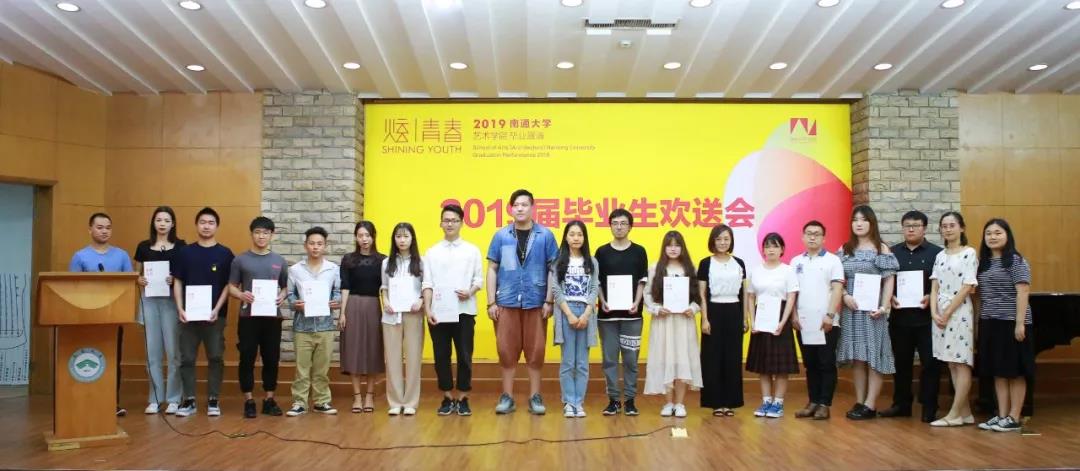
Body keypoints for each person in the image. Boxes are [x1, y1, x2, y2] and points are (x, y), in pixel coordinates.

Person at [486, 189, 559, 415]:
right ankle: (507, 397)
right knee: (506, 351)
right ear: (511, 208)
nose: (520, 208)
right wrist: (491, 302)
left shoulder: (545, 235)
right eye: (516, 205)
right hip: (506, 301)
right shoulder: (501, 236)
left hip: (536, 302)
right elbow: (492, 269)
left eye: (524, 204)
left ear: (532, 207)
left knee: (536, 352)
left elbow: (553, 269)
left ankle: (535, 396)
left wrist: (549, 300)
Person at [837, 205, 899, 420]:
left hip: (874, 312)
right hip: (851, 310)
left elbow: (889, 279)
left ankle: (870, 404)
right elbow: (837, 279)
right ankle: (860, 400)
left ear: (872, 223)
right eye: (855, 220)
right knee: (858, 358)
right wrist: (845, 295)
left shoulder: (881, 248)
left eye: (863, 219)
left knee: (874, 356)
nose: (859, 224)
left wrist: (884, 306)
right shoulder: (845, 249)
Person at [881, 210, 943, 422]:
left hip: (928, 320)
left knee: (930, 364)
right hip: (900, 319)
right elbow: (885, 281)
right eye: (907, 225)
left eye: (916, 225)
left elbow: (944, 285)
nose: (911, 229)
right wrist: (889, 297)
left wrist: (931, 296)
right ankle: (901, 404)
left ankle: (929, 406)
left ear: (924, 228)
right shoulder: (892, 253)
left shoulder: (937, 254)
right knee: (901, 363)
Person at [172, 207, 234, 418]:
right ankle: (189, 400)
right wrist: (180, 308)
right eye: (203, 222)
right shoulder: (185, 252)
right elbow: (178, 281)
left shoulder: (225, 254)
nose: (206, 226)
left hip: (215, 316)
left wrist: (217, 309)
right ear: (196, 225)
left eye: (211, 223)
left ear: (217, 226)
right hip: (188, 317)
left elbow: (229, 285)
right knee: (187, 358)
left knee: (215, 356)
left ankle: (213, 399)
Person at [70, 212, 133, 416]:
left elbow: (129, 285)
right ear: (90, 230)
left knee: (113, 360)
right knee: (88, 358)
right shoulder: (80, 257)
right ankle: (86, 401)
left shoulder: (121, 256)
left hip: (114, 317)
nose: (104, 231)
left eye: (108, 227)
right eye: (99, 227)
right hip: (87, 318)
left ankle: (112, 402)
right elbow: (72, 288)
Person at [422, 205, 483, 416]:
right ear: (440, 223)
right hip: (438, 312)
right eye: (446, 220)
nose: (450, 224)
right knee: (441, 356)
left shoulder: (472, 250)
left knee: (465, 355)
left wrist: (470, 291)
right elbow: (427, 283)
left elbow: (478, 279)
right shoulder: (432, 252)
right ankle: (447, 396)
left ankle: (463, 397)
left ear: (461, 223)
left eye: (454, 220)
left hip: (464, 310)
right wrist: (428, 309)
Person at [974, 218, 1034, 433]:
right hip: (990, 322)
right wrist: (978, 323)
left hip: (1011, 322)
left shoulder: (1016, 261)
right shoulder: (983, 263)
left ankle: (1014, 417)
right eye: (988, 233)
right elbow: (979, 296)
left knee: (1015, 371)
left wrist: (1019, 323)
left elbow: (1023, 291)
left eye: (998, 232)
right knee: (998, 371)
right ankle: (1001, 415)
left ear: (1007, 235)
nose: (992, 237)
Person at [227, 217, 289, 419]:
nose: (261, 236)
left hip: (272, 318)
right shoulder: (240, 260)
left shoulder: (279, 261)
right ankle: (249, 400)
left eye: (265, 233)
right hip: (248, 317)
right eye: (257, 232)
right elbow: (231, 287)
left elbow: (285, 287)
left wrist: (282, 296)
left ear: (272, 235)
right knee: (247, 357)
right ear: (252, 234)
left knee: (271, 358)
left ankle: (269, 399)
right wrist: (241, 294)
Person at [643, 230, 702, 418]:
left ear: (682, 247)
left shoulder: (690, 268)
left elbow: (699, 296)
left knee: (682, 360)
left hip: (684, 322)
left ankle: (680, 403)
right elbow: (647, 294)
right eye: (669, 245)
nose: (673, 249)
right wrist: (656, 309)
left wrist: (693, 308)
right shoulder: (655, 268)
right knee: (665, 359)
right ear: (664, 248)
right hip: (663, 321)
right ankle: (668, 403)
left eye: (677, 245)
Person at [595, 208, 648, 417]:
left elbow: (642, 281)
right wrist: (602, 301)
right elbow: (597, 282)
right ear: (610, 226)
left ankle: (630, 400)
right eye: (615, 223)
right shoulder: (601, 252)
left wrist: (636, 302)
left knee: (631, 360)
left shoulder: (639, 251)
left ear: (630, 226)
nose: (619, 227)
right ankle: (614, 400)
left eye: (623, 223)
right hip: (607, 317)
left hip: (632, 316)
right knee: (609, 360)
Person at [133, 207, 186, 415]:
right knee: (152, 352)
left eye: (166, 220)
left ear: (173, 223)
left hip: (171, 301)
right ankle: (155, 398)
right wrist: (139, 279)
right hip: (149, 301)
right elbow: (136, 274)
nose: (162, 224)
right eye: (158, 220)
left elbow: (185, 274)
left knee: (174, 353)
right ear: (153, 223)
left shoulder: (181, 246)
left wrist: (175, 278)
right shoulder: (143, 246)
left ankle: (174, 398)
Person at [790, 221, 844, 420]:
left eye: (817, 234)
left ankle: (824, 404)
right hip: (803, 322)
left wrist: (830, 315)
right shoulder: (796, 262)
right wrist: (793, 315)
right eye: (809, 233)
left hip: (826, 321)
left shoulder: (833, 260)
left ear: (824, 238)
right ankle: (812, 401)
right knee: (810, 363)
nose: (812, 237)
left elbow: (837, 289)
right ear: (803, 237)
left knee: (826, 363)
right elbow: (792, 292)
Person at [928, 211, 977, 427]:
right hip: (940, 312)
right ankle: (965, 413)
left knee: (961, 362)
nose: (947, 229)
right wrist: (934, 312)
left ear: (961, 228)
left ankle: (954, 414)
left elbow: (967, 286)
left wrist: (947, 312)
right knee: (950, 362)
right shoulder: (940, 255)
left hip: (959, 311)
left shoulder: (969, 253)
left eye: (952, 225)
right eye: (944, 226)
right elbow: (934, 286)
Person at [285, 226, 342, 417]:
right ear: (305, 245)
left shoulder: (333, 269)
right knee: (301, 368)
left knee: (322, 369)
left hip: (325, 326)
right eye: (312, 243)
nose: (315, 247)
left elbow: (337, 291)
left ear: (325, 246)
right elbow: (290, 294)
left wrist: (335, 301)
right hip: (302, 327)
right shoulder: (295, 270)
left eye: (319, 244)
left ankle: (321, 401)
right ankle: (299, 402)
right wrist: (296, 304)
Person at [745, 233, 800, 419]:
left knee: (781, 367)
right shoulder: (756, 271)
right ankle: (766, 400)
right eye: (767, 246)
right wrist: (753, 321)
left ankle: (778, 403)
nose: (771, 250)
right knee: (763, 365)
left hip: (780, 317)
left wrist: (783, 322)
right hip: (761, 318)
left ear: (782, 249)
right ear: (763, 249)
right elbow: (751, 296)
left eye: (775, 246)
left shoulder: (788, 270)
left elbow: (791, 297)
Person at [696, 224, 747, 417]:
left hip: (734, 311)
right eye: (718, 239)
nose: (723, 242)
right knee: (712, 358)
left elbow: (743, 293)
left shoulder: (739, 263)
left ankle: (730, 402)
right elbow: (702, 294)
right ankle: (715, 402)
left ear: (731, 241)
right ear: (713, 241)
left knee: (733, 358)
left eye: (726, 239)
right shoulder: (705, 263)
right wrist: (705, 319)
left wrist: (744, 318)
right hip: (713, 311)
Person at [550, 221, 600, 418]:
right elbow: (556, 290)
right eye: (572, 234)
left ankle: (579, 403)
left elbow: (594, 288)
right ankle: (569, 402)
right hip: (566, 311)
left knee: (582, 363)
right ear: (566, 237)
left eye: (579, 234)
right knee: (568, 361)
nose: (576, 238)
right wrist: (570, 315)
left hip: (586, 312)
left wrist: (586, 314)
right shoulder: (558, 262)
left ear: (584, 237)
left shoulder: (592, 262)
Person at [380, 223, 428, 416]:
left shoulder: (421, 262)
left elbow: (426, 287)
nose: (402, 240)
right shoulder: (386, 263)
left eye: (406, 236)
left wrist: (421, 301)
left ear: (412, 239)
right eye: (398, 236)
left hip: (413, 314)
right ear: (394, 239)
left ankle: (410, 401)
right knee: (392, 358)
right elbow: (384, 287)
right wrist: (385, 301)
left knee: (414, 358)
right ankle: (395, 401)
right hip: (391, 315)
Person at [340, 221, 386, 414]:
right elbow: (345, 287)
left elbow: (386, 288)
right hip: (352, 305)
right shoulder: (348, 259)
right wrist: (342, 313)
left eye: (367, 235)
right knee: (353, 351)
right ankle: (357, 396)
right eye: (360, 235)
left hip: (374, 306)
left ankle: (369, 395)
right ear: (356, 237)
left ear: (373, 237)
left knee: (373, 349)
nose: (364, 239)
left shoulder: (382, 260)